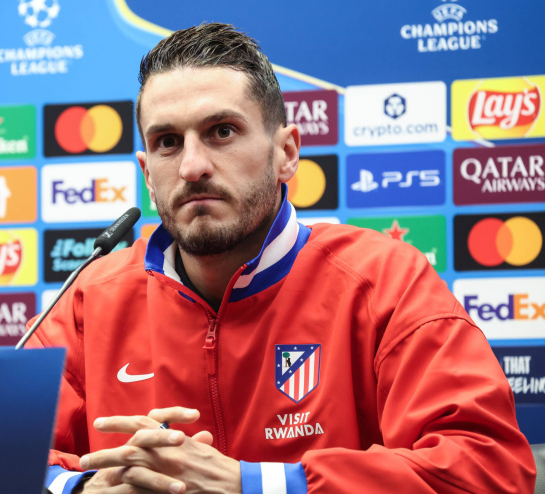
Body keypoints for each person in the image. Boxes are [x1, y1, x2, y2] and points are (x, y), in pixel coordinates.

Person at [28, 23, 536, 494]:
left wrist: (257, 485)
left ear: (286, 152)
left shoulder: (384, 281)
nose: (192, 165)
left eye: (221, 131)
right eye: (167, 142)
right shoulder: (87, 301)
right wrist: (84, 488)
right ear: (146, 169)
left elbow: (485, 467)